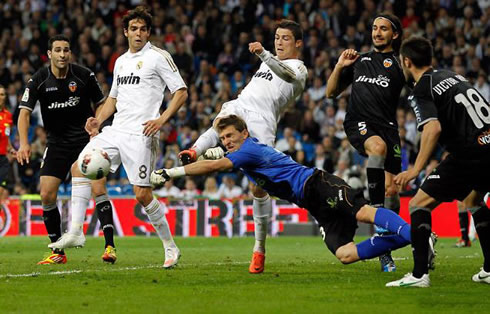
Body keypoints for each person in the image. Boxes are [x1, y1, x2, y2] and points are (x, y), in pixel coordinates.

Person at [151, 115, 436, 270]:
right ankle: (416, 237)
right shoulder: (244, 153)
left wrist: (170, 173)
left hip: (317, 183)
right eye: (223, 138)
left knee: (364, 212)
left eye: (230, 136)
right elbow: (219, 159)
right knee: (345, 255)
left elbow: (215, 166)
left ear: (244, 134)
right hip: (312, 204)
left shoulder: (247, 151)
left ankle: (417, 237)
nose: (227, 142)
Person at [48, 6, 188, 269]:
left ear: (148, 33)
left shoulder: (159, 57)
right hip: (116, 130)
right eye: (133, 28)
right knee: (79, 166)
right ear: (125, 32)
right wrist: (98, 121)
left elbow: (181, 92)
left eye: (143, 29)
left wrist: (161, 119)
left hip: (141, 133)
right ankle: (76, 230)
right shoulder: (121, 61)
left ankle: (170, 246)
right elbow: (113, 98)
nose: (138, 33)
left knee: (142, 195)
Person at [179, 19, 307, 274]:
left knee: (257, 188)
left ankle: (259, 248)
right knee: (221, 122)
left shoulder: (298, 68)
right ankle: (195, 150)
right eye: (277, 37)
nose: (279, 42)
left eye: (285, 39)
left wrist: (263, 53)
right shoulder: (266, 62)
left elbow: (286, 74)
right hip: (242, 104)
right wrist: (264, 57)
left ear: (298, 43)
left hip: (263, 121)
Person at [386, 36, 490, 287]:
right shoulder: (453, 76)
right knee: (473, 201)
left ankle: (419, 275)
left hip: (470, 153)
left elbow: (432, 128)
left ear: (407, 61)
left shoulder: (422, 87)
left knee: (419, 204)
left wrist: (416, 169)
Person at [17, 35, 117, 265]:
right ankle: (58, 252)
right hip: (57, 143)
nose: (63, 54)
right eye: (58, 50)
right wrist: (24, 142)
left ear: (70, 53)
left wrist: (98, 123)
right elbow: (24, 112)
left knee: (98, 187)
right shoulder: (39, 79)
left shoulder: (83, 75)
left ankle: (110, 246)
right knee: (46, 194)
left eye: (66, 50)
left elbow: (102, 103)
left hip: (86, 141)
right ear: (49, 54)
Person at [326, 12, 405, 272]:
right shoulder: (360, 60)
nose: (377, 32)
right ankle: (377, 211)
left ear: (394, 34)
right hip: (359, 122)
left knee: (393, 189)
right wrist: (339, 66)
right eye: (374, 28)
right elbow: (331, 93)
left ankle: (384, 249)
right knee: (377, 148)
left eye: (383, 28)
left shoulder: (401, 63)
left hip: (389, 128)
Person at [0, 85, 16, 203]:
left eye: (2, 94)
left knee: (1, 191)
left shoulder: (8, 115)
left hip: (2, 159)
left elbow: (7, 136)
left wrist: (11, 149)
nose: (1, 97)